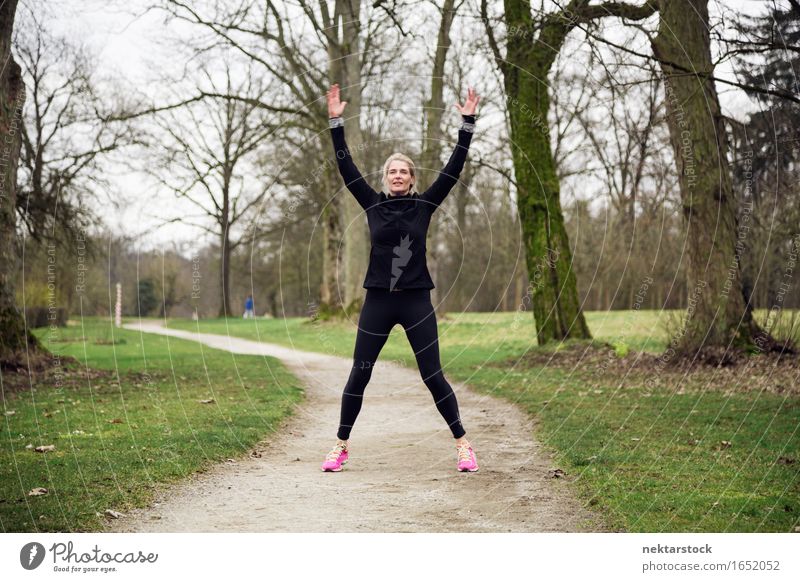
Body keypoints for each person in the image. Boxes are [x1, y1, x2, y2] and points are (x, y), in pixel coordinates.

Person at [322, 83, 480, 473]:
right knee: (359, 373)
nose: (396, 176)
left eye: (403, 171)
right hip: (378, 299)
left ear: (411, 178)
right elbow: (346, 168)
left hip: (415, 301)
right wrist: (336, 124)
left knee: (433, 375)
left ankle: (463, 445)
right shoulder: (371, 203)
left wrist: (467, 124)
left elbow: (453, 169)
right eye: (391, 171)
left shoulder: (425, 205)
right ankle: (340, 446)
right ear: (386, 177)